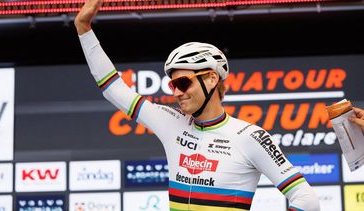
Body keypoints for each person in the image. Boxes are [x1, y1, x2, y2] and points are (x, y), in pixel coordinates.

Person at [74, 0, 320, 210]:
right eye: (172, 85)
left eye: (183, 83)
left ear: (212, 78)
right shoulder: (171, 123)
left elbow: (306, 199)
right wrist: (84, 29)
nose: (177, 92)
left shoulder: (249, 136)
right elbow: (113, 88)